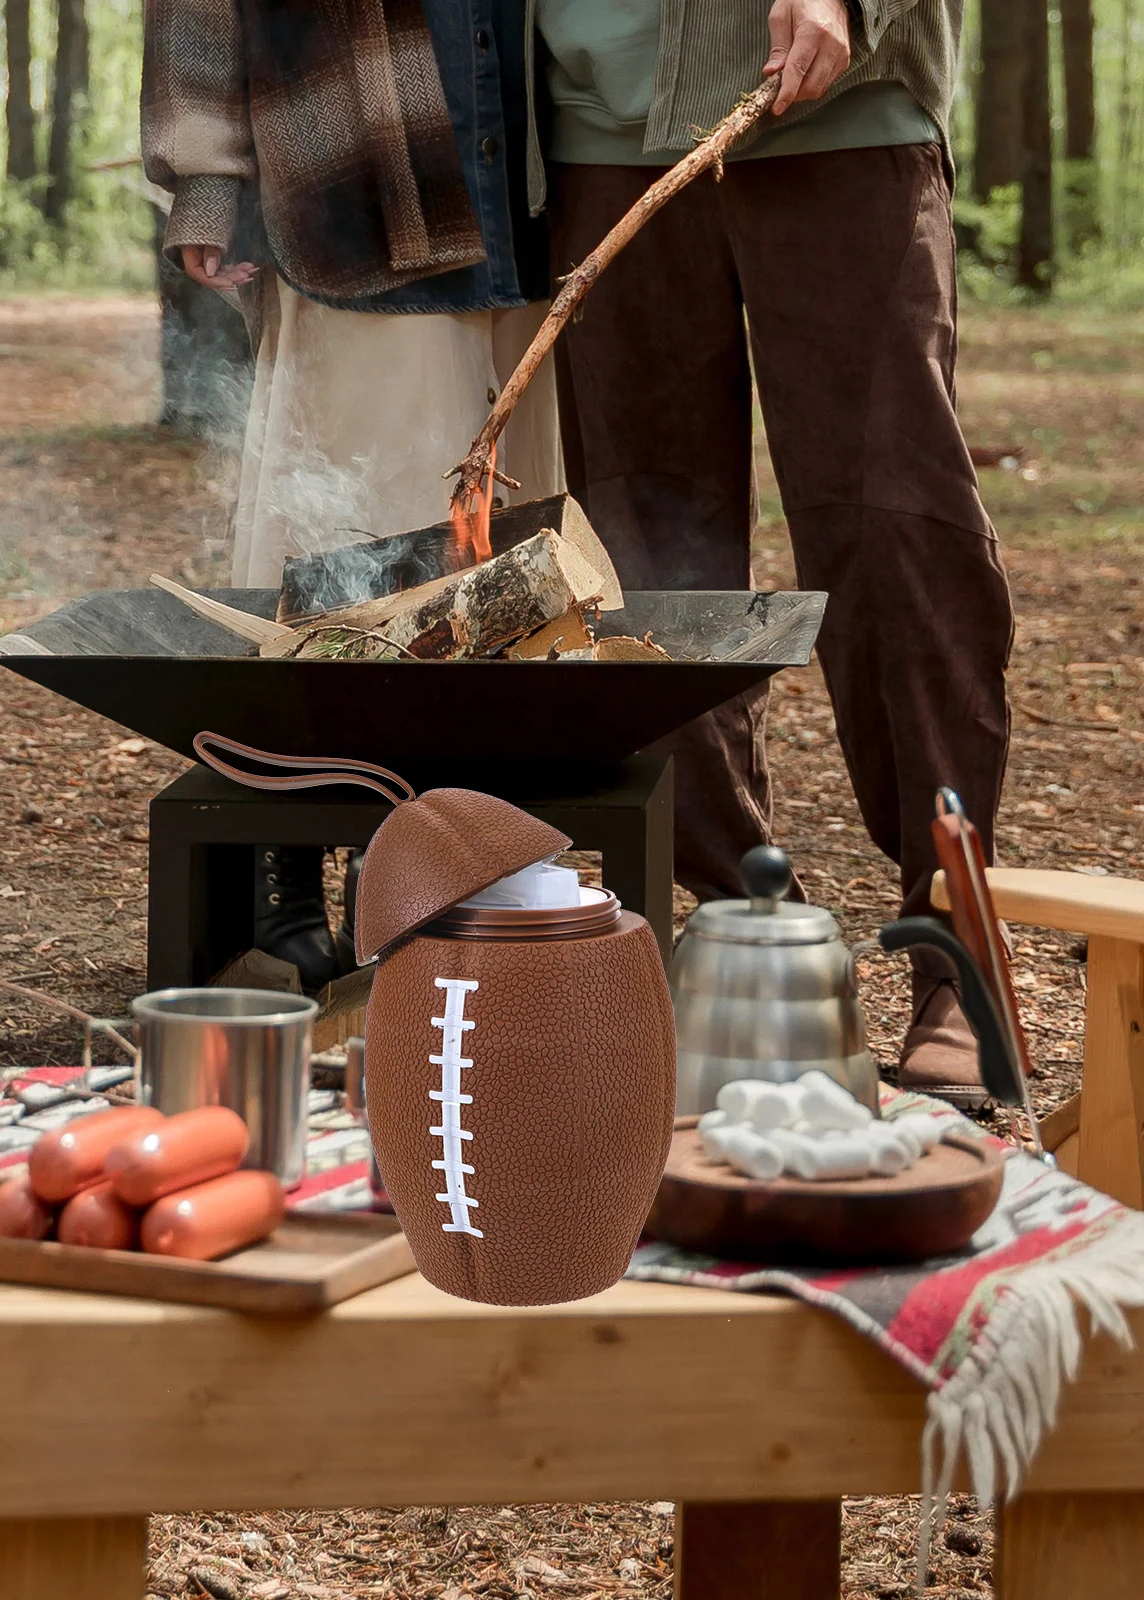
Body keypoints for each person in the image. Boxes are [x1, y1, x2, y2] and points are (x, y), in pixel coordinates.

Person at [534, 0, 1014, 1103]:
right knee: (646, 545)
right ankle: (736, 921)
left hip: (835, 104)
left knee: (896, 529)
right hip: (596, 122)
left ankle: (956, 951)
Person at [143, 0, 565, 989]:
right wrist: (208, 180)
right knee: (344, 539)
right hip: (353, 168)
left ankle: (457, 864)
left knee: (511, 566)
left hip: (537, 182)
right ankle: (289, 871)